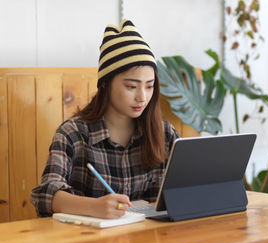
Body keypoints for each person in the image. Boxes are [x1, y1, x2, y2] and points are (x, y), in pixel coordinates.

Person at [30, 19, 180, 219]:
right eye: (131, 86)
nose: (142, 97)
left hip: (152, 241)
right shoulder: (73, 134)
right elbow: (46, 194)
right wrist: (94, 207)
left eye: (149, 86)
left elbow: (187, 188)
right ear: (105, 84)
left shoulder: (165, 133)